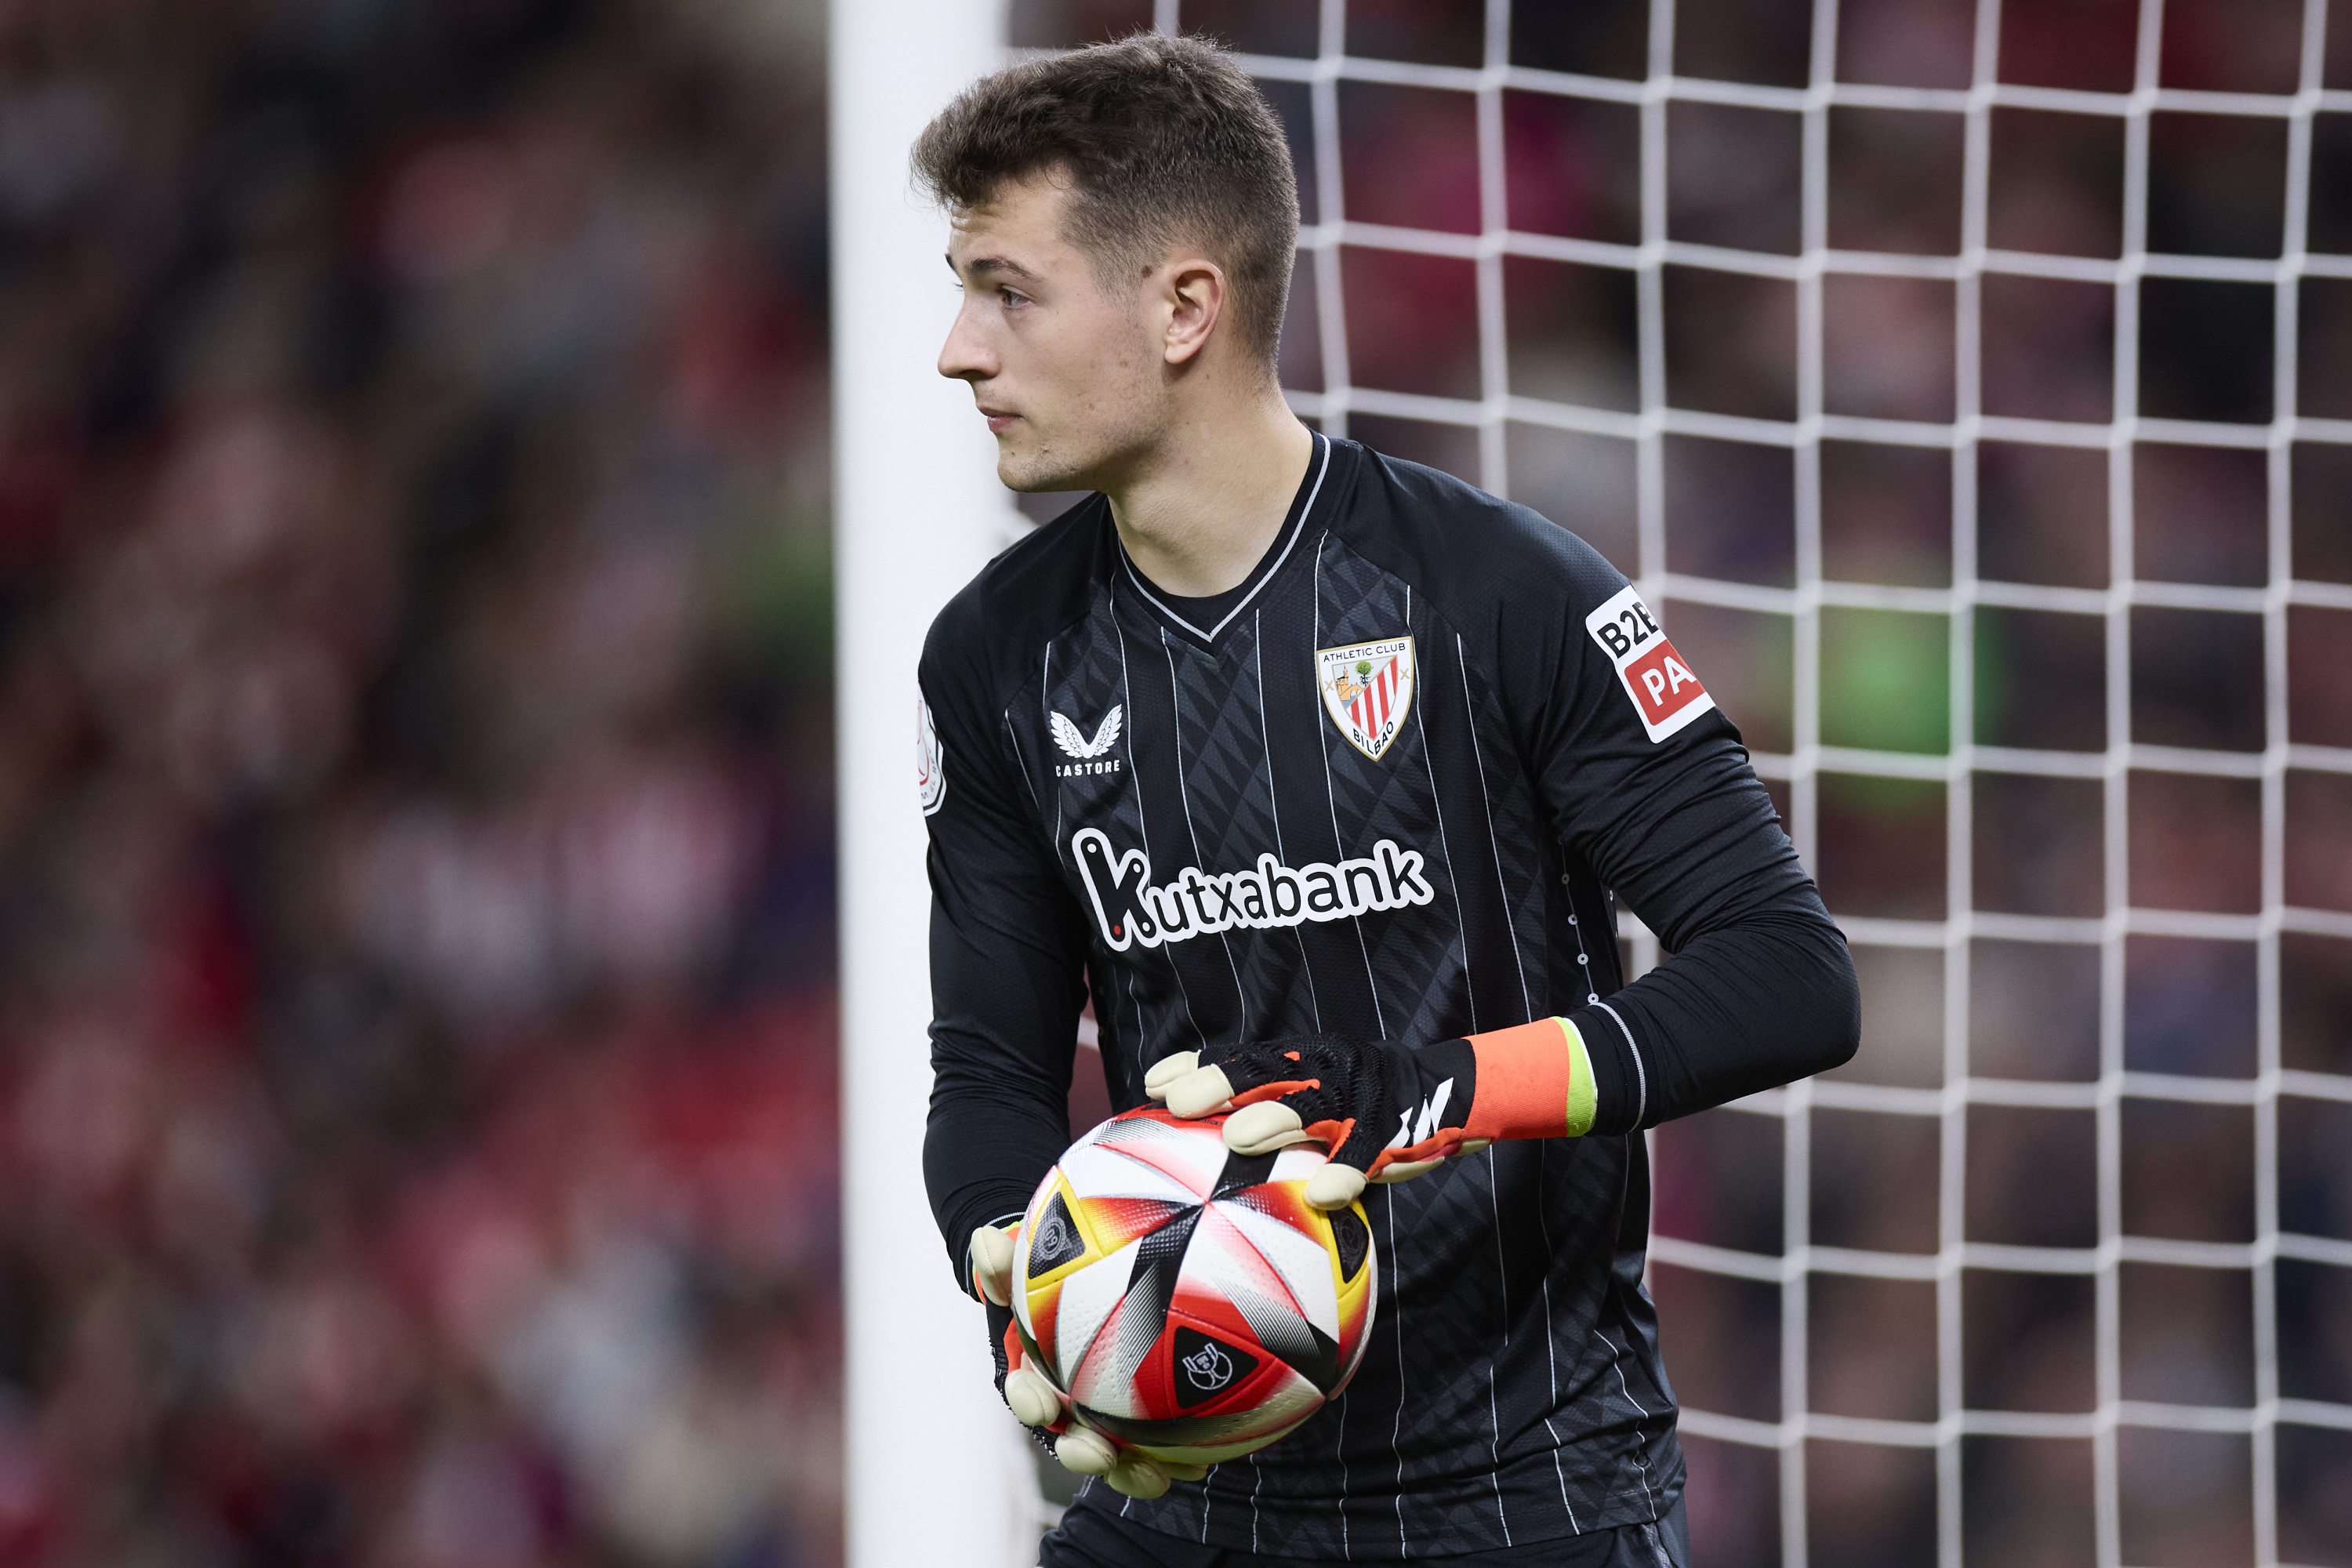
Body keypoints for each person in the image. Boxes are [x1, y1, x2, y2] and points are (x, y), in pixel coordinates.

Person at [912, 33, 1857, 1567]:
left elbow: (1790, 975)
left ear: (1183, 309)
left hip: (1528, 1494)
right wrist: (1029, 1271)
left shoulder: (1501, 593)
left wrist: (1430, 1089)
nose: (960, 348)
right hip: (1206, 1491)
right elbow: (989, 1078)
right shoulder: (996, 660)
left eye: (1008, 291)